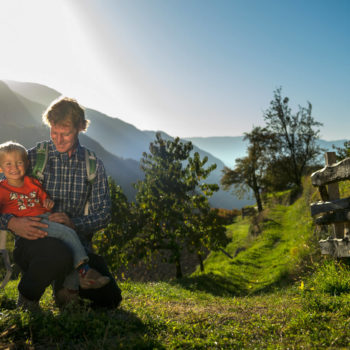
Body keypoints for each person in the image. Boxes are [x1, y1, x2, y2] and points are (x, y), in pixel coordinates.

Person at [0, 97, 122, 309]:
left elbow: (104, 214)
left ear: (81, 128)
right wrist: (11, 223)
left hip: (79, 247)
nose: (58, 139)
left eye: (65, 133)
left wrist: (74, 223)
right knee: (57, 253)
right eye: (53, 132)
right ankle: (27, 298)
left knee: (109, 297)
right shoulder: (34, 157)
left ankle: (65, 290)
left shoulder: (92, 165)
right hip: (34, 243)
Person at [0, 142, 111, 296]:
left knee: (108, 298)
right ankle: (84, 270)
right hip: (32, 232)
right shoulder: (2, 189)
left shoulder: (32, 182)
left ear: (27, 164)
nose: (14, 167)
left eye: (19, 163)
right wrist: (11, 222)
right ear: (1, 168)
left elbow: (42, 199)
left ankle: (69, 289)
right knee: (67, 235)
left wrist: (48, 203)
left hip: (45, 218)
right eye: (8, 164)